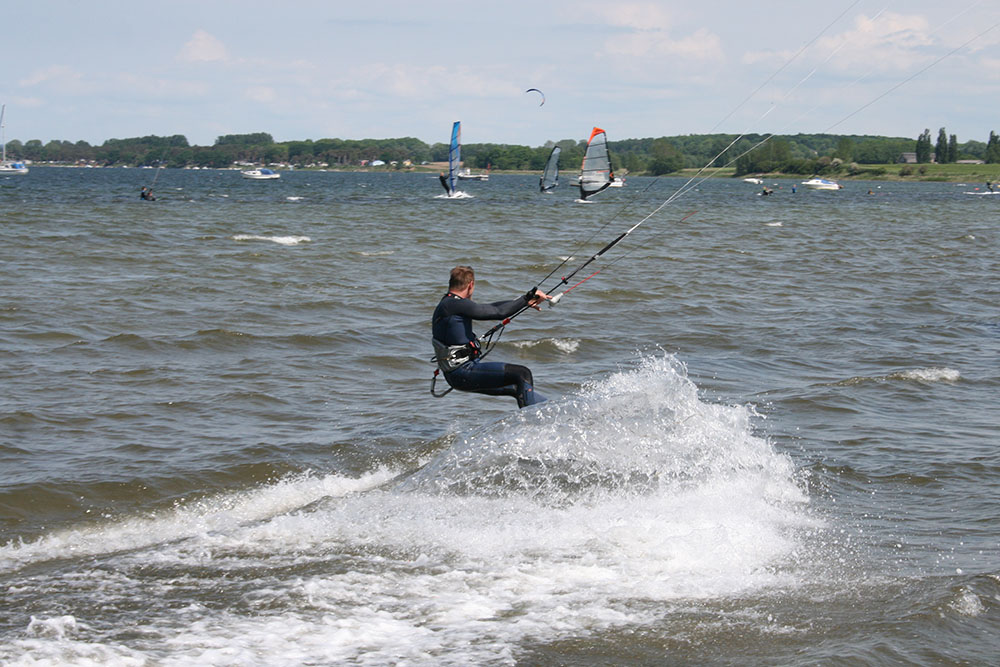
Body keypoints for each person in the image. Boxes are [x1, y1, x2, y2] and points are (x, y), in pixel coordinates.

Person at [432, 265, 550, 408]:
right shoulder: (453, 305)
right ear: (471, 285)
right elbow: (498, 312)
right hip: (463, 373)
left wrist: (524, 301)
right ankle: (534, 426)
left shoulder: (449, 303)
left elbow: (491, 306)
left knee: (517, 388)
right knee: (522, 374)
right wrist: (526, 298)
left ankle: (551, 409)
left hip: (459, 374)